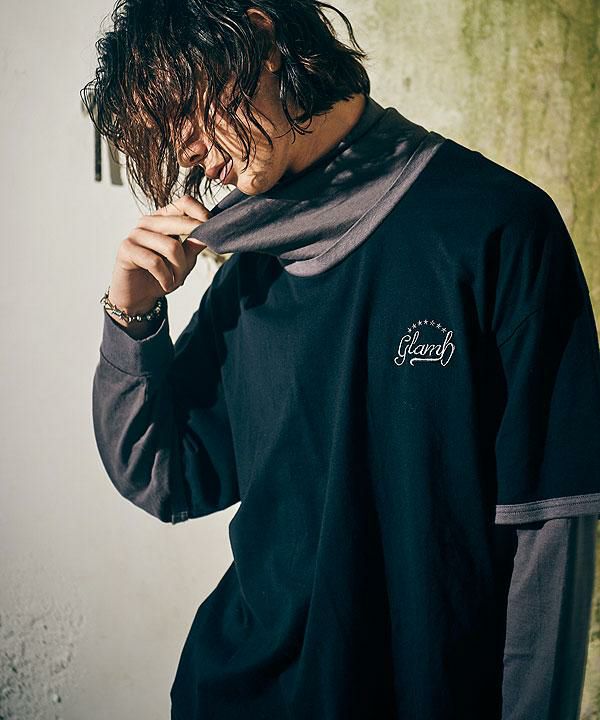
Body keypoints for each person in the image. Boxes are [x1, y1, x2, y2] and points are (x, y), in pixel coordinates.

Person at [83, 1, 600, 718]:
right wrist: (132, 317)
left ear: (260, 36)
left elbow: (550, 528)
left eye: (184, 108)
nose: (187, 151)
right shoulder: (251, 267)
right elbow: (165, 475)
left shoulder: (498, 228)